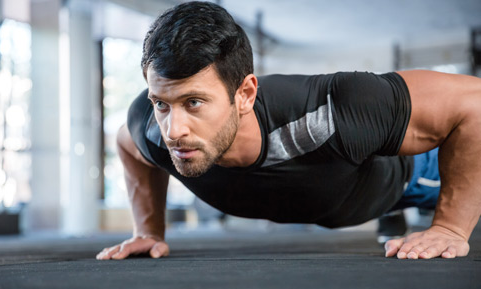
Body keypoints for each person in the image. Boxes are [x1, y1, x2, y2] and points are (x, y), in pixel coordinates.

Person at [96, 1, 481, 261]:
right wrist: (149, 230)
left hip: (412, 172)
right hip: (341, 192)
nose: (174, 130)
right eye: (163, 103)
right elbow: (127, 144)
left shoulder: (335, 107)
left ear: (245, 94)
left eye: (194, 103)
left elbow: (475, 103)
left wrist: (449, 227)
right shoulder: (148, 126)